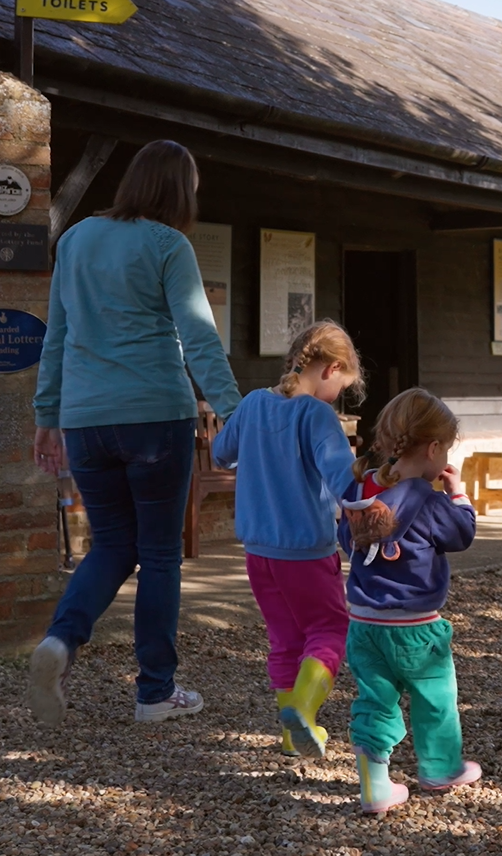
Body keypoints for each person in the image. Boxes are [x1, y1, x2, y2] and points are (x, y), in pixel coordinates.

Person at [27, 140, 241, 727]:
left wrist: (47, 416)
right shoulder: (168, 244)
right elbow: (198, 337)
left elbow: (56, 336)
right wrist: (237, 411)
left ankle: (61, 643)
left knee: (112, 545)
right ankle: (154, 693)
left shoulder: (75, 239)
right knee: (159, 555)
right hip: (155, 417)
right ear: (177, 190)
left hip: (86, 419)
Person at [209, 321, 361, 758]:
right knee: (330, 629)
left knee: (284, 639)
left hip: (258, 552)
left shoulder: (255, 403)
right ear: (331, 368)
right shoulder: (317, 414)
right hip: (307, 552)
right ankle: (304, 709)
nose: (337, 397)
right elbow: (341, 482)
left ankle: (291, 738)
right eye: (342, 386)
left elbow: (221, 452)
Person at [340, 388, 481, 815]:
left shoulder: (361, 489)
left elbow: (346, 541)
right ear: (434, 447)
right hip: (417, 627)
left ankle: (376, 786)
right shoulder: (428, 500)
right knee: (435, 695)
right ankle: (439, 768)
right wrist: (458, 492)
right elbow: (462, 535)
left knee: (375, 701)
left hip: (364, 624)